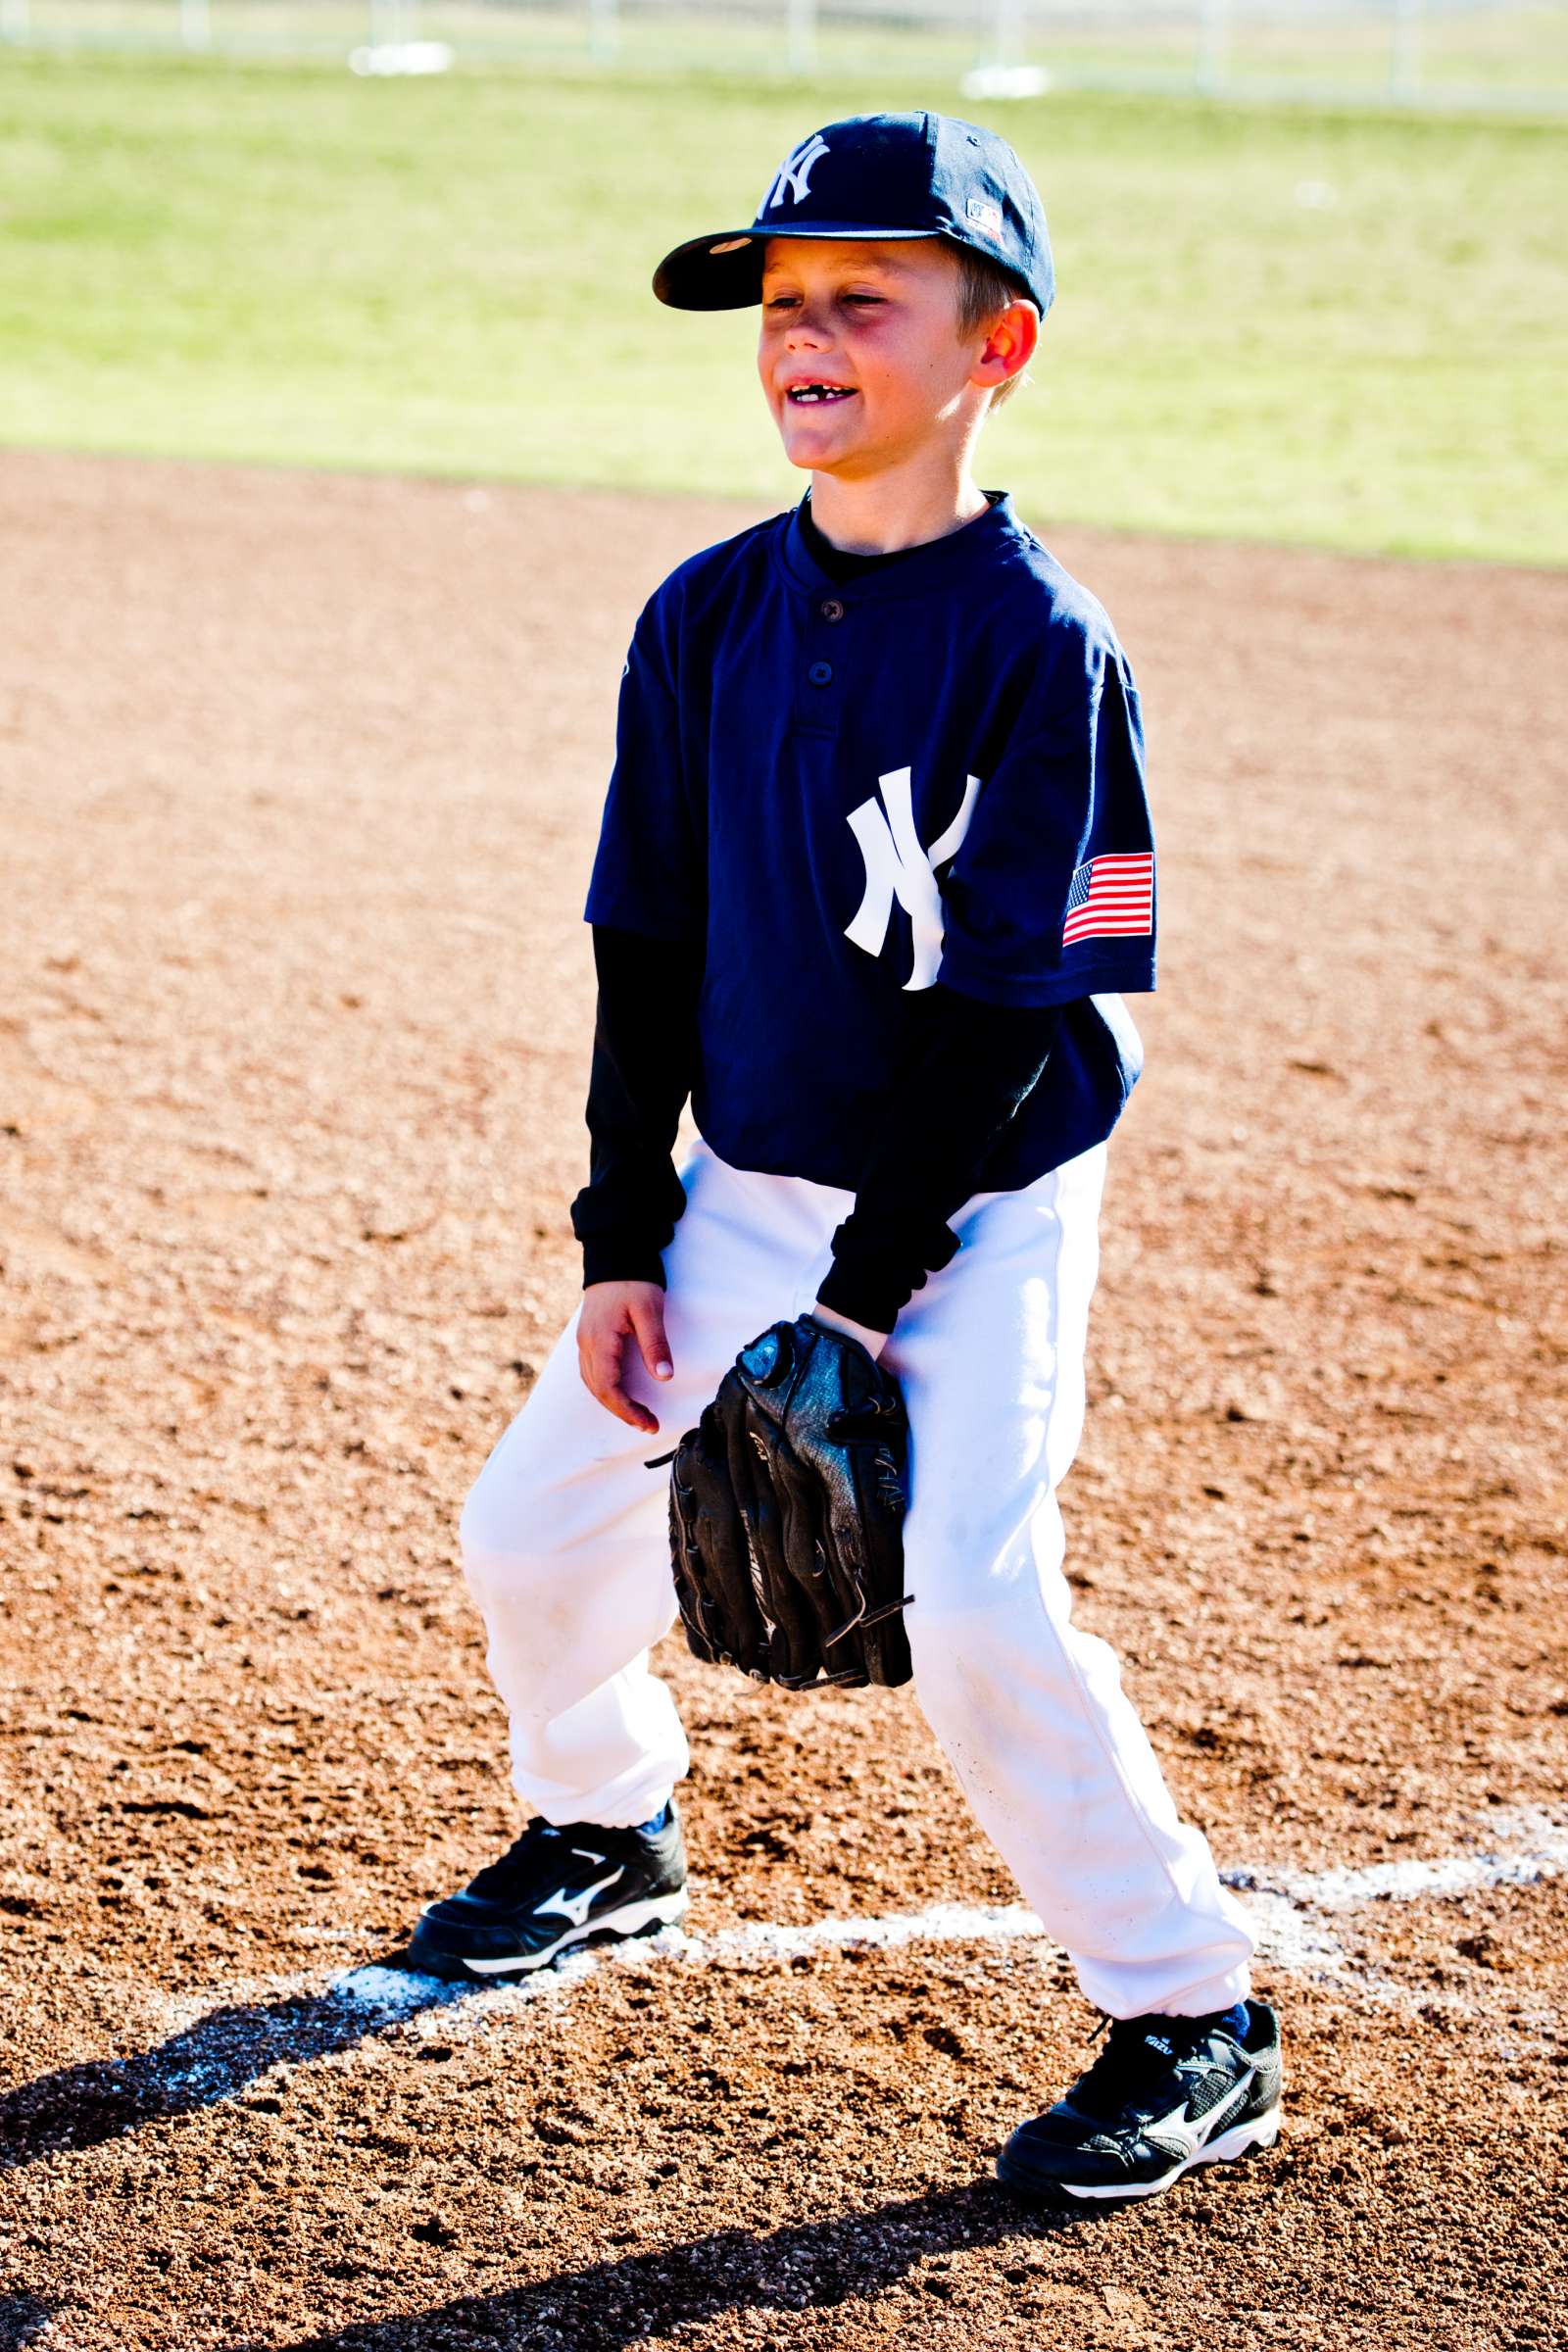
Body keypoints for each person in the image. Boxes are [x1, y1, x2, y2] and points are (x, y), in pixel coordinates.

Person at [407, 112, 1282, 2205]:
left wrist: (866, 1300)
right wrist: (627, 1232)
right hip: (757, 1186)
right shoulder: (704, 614)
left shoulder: (1037, 646)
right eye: (783, 303)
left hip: (970, 1209)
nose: (805, 335)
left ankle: (1190, 2012)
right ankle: (606, 1827)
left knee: (970, 1600)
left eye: (861, 301)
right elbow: (645, 936)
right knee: (534, 1529)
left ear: (999, 349)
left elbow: (1017, 1014)